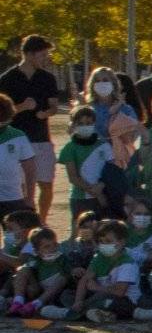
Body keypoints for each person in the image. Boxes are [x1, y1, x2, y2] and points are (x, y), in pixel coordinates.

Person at [0, 36, 62, 227]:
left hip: (40, 138)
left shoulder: (47, 78)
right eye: (43, 55)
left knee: (46, 183)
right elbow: (2, 113)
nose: (46, 59)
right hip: (14, 139)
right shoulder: (7, 79)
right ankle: (19, 223)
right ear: (28, 54)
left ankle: (40, 223)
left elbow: (54, 105)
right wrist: (22, 107)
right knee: (21, 186)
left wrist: (47, 113)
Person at [57, 103, 102, 229]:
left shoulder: (103, 145)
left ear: (94, 123)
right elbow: (73, 177)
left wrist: (101, 190)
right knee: (79, 229)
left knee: (100, 229)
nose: (85, 126)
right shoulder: (69, 148)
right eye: (80, 124)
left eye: (89, 123)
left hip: (102, 195)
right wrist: (93, 191)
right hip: (79, 197)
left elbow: (110, 172)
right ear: (73, 125)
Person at [0, 95, 33, 224]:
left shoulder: (18, 136)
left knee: (14, 240)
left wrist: (29, 198)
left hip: (13, 197)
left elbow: (30, 170)